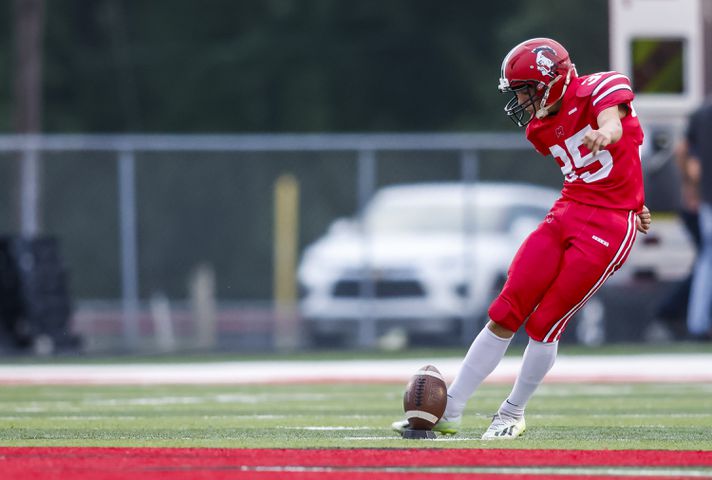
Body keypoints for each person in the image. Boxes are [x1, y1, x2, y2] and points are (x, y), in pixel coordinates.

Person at [392, 37, 651, 439]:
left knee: (546, 321)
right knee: (506, 309)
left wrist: (607, 139)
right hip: (568, 210)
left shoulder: (599, 88)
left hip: (610, 225)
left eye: (527, 90)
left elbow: (614, 123)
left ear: (553, 79)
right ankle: (452, 410)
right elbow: (589, 173)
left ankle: (512, 412)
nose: (522, 101)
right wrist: (632, 191)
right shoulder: (540, 128)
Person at [685, 98, 712, 340]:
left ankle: (697, 322)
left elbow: (691, 162)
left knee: (707, 259)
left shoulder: (700, 115)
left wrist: (692, 191)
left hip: (708, 199)